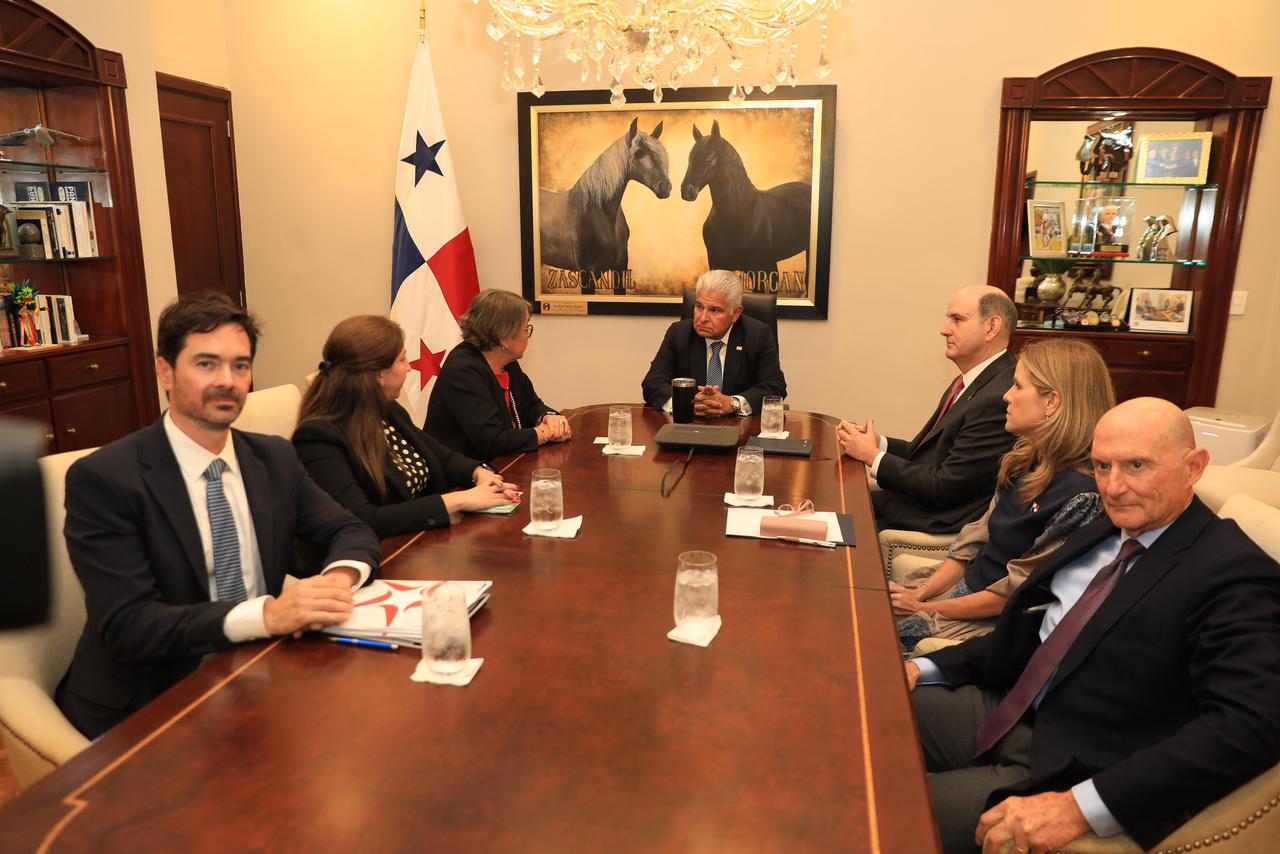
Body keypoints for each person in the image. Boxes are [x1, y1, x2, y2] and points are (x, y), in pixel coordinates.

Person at [906, 398, 1280, 853]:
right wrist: (924, 668)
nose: (1114, 487)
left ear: (1194, 467)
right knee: (864, 708)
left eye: (1137, 465)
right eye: (1103, 466)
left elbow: (1249, 725)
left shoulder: (1233, 571)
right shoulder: (1106, 529)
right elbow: (1042, 634)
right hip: (1008, 706)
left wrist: (1080, 807)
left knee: (885, 808)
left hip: (1074, 763)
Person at [56, 294, 381, 739]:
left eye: (240, 365)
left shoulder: (273, 458)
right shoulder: (105, 479)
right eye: (206, 364)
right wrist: (266, 616)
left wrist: (335, 583)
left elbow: (350, 529)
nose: (227, 381)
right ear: (165, 371)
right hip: (150, 702)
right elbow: (129, 626)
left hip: (259, 672)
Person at [892, 339, 1116, 651]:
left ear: (1052, 402)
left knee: (873, 635)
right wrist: (922, 593)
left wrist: (925, 608)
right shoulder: (1022, 459)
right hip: (961, 592)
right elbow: (972, 543)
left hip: (987, 622)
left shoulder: (1081, 496)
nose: (1006, 396)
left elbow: (1013, 593)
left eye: (1018, 386)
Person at [293, 316, 521, 539]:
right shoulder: (318, 438)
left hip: (421, 539)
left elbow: (442, 457)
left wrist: (480, 474)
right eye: (402, 360)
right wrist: (460, 500)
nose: (410, 367)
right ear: (379, 374)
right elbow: (364, 519)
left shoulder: (387, 410)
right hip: (380, 553)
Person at [838, 285, 1017, 534]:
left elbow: (945, 487)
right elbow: (929, 455)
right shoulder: (972, 380)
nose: (944, 329)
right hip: (907, 504)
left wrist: (872, 456)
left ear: (991, 327)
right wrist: (878, 443)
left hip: (927, 521)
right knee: (826, 503)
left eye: (957, 319)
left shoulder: (998, 397)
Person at [425, 289, 571, 462]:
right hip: (466, 471)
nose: (528, 335)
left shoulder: (507, 361)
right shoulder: (463, 370)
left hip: (507, 462)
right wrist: (544, 433)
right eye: (526, 329)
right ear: (504, 339)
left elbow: (531, 405)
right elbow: (491, 439)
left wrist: (549, 417)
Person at [640, 269, 786, 417]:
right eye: (699, 307)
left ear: (735, 313)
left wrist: (733, 403)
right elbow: (652, 382)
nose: (703, 318)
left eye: (715, 310)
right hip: (688, 425)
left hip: (739, 426)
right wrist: (685, 404)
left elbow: (775, 387)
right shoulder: (679, 333)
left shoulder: (757, 335)